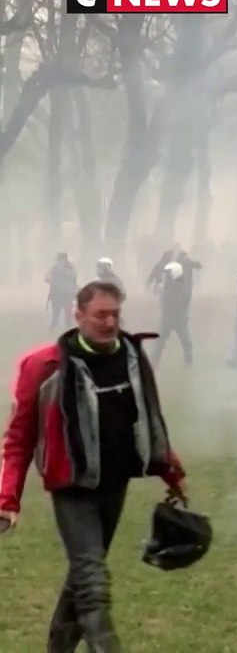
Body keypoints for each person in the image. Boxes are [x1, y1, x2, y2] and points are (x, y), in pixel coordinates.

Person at [0, 280, 188, 653]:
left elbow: (149, 419)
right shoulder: (46, 366)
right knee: (92, 580)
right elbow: (19, 437)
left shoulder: (132, 358)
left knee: (83, 574)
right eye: (100, 314)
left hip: (115, 484)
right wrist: (8, 499)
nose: (109, 322)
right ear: (79, 315)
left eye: (115, 314)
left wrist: (171, 472)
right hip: (72, 488)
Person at [153, 262, 194, 366]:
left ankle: (188, 361)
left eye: (169, 273)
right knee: (159, 341)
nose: (167, 275)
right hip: (167, 318)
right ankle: (154, 362)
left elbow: (180, 301)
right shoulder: (168, 284)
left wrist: (163, 291)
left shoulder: (183, 286)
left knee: (185, 341)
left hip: (179, 318)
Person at [46, 252, 78, 331]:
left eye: (60, 260)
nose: (58, 262)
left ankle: (69, 328)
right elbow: (46, 277)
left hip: (67, 293)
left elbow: (74, 275)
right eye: (58, 260)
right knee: (55, 312)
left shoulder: (71, 266)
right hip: (56, 293)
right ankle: (53, 327)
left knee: (68, 312)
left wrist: (62, 271)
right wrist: (52, 281)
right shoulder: (54, 267)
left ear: (64, 260)